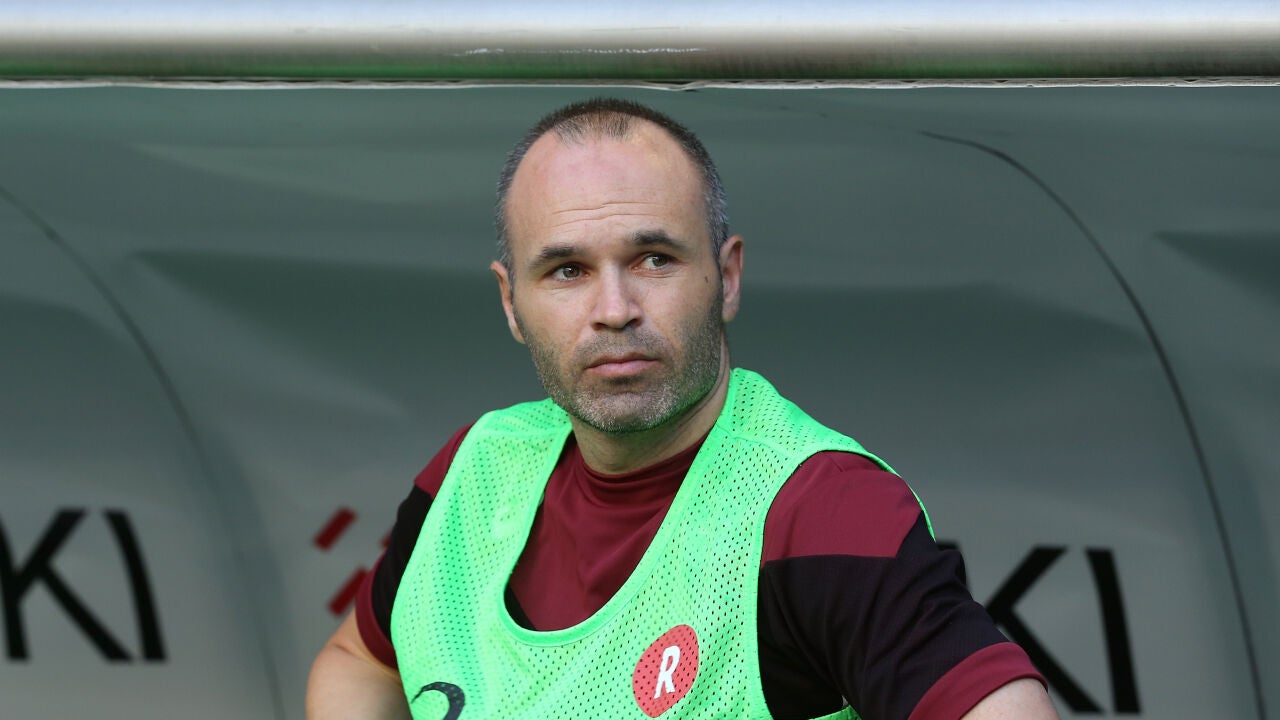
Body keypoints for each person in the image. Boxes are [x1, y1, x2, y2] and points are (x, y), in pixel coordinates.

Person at [307, 98, 1059, 720]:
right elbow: (356, 662)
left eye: (653, 259)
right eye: (567, 270)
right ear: (511, 303)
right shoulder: (474, 471)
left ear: (726, 277)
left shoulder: (817, 508)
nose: (614, 309)